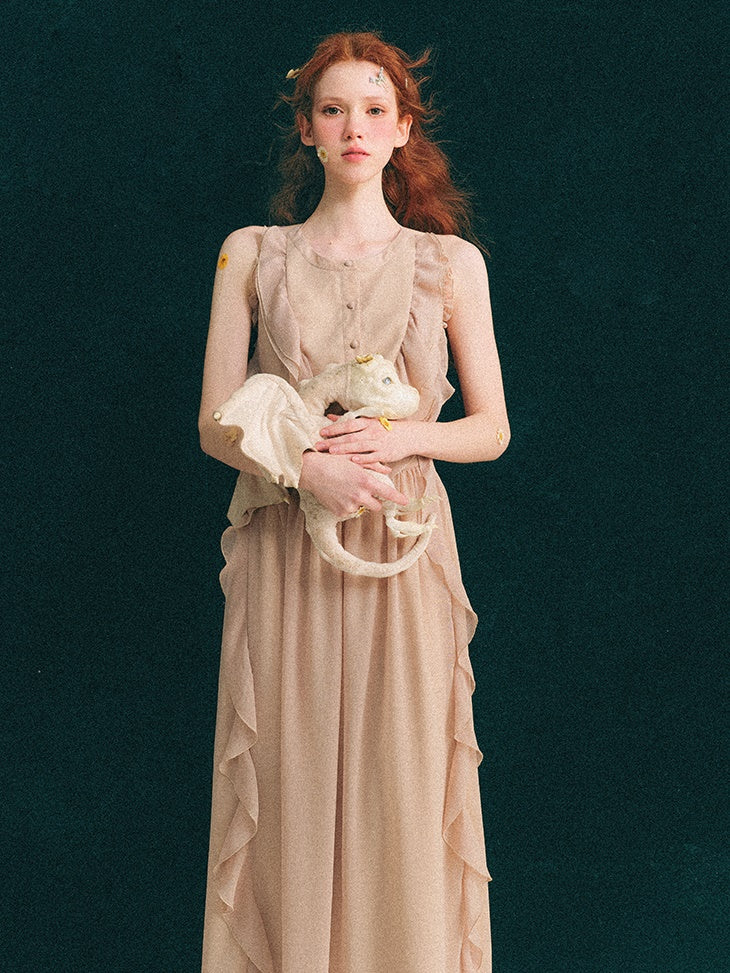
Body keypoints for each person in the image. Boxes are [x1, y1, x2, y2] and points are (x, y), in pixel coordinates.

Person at [198, 31, 510, 973]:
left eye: (375, 109)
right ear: (306, 128)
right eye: (334, 109)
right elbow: (215, 422)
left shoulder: (450, 263)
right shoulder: (252, 253)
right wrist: (305, 467)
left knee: (400, 784)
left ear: (405, 126)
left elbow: (491, 428)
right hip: (285, 549)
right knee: (289, 780)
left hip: (402, 549)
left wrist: (404, 439)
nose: (355, 127)